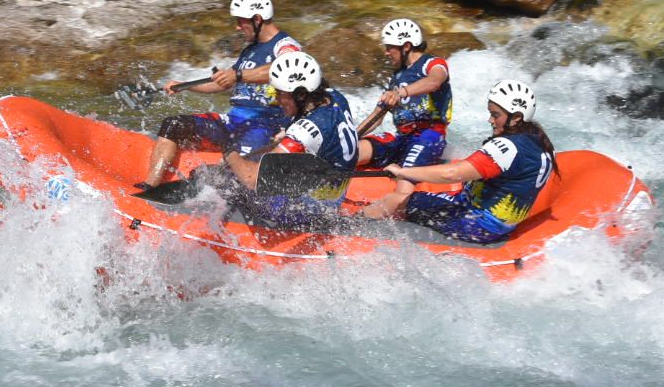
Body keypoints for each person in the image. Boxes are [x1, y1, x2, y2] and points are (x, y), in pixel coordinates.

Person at [139, 0, 302, 190]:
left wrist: (238, 75)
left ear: (257, 19)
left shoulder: (286, 46)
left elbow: (289, 66)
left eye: (241, 21)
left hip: (266, 127)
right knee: (173, 125)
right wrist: (184, 85)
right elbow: (222, 83)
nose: (237, 26)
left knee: (233, 174)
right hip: (233, 122)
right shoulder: (250, 50)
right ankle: (148, 188)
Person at [362, 79, 556, 243]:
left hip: (476, 223)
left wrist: (403, 172)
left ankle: (350, 227)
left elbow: (451, 173)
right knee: (413, 200)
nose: (490, 120)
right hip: (496, 222)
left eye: (495, 115)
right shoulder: (541, 144)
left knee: (395, 201)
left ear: (516, 118)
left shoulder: (506, 148)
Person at [202, 51, 359, 228]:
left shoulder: (305, 132)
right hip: (334, 191)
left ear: (300, 95)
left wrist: (228, 149)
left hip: (311, 208)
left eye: (279, 93)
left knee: (232, 182)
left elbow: (251, 179)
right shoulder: (335, 96)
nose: (276, 99)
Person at [356, 18, 452, 171]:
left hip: (429, 137)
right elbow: (378, 116)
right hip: (401, 138)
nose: (386, 52)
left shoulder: (433, 64)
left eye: (389, 47)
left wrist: (400, 93)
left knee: (405, 175)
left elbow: (435, 82)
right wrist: (351, 138)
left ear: (406, 46)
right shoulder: (398, 76)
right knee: (353, 153)